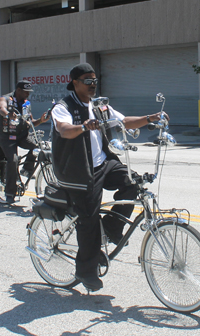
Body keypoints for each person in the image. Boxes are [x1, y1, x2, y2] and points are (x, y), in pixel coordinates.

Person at [51, 63, 166, 291]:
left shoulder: (100, 106)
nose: (93, 85)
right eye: (87, 81)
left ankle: (111, 229)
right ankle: (86, 271)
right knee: (88, 220)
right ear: (75, 82)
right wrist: (83, 126)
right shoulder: (63, 107)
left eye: (94, 81)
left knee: (133, 184)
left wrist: (150, 118)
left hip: (104, 163)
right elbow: (64, 129)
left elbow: (123, 121)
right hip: (79, 171)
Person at [0, 80, 50, 204]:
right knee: (13, 160)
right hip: (7, 136)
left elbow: (30, 123)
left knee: (38, 148)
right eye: (26, 91)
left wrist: (41, 120)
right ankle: (10, 193)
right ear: (19, 90)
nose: (28, 94)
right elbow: (1, 108)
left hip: (22, 135)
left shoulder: (26, 104)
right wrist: (8, 114)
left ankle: (26, 169)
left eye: (29, 92)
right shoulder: (5, 99)